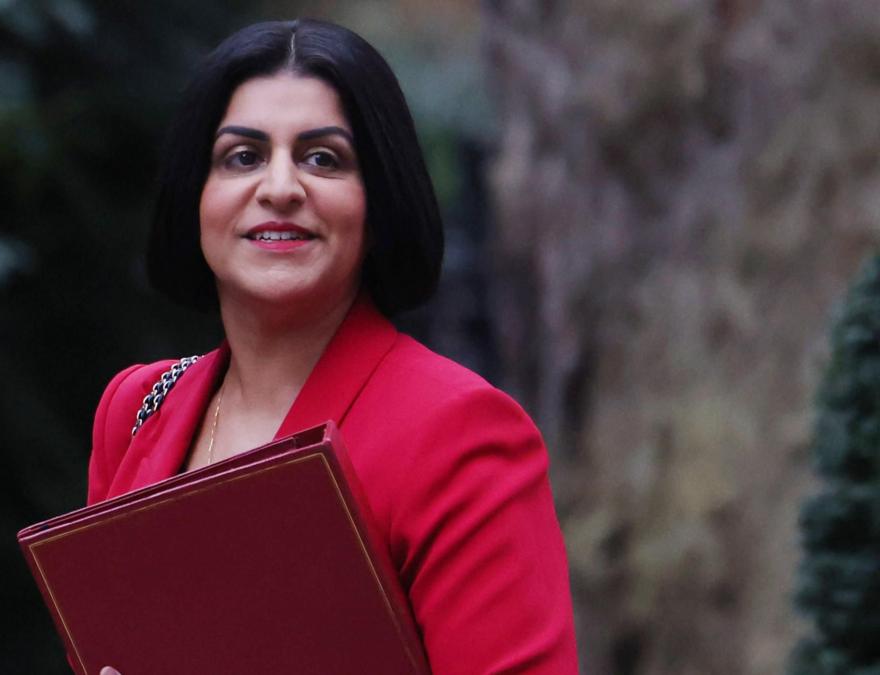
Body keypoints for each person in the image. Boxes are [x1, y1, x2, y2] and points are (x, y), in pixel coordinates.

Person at [87, 18, 578, 675]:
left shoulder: (461, 433)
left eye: (323, 158)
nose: (281, 187)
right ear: (194, 196)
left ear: (376, 205)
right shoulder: (136, 409)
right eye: (243, 156)